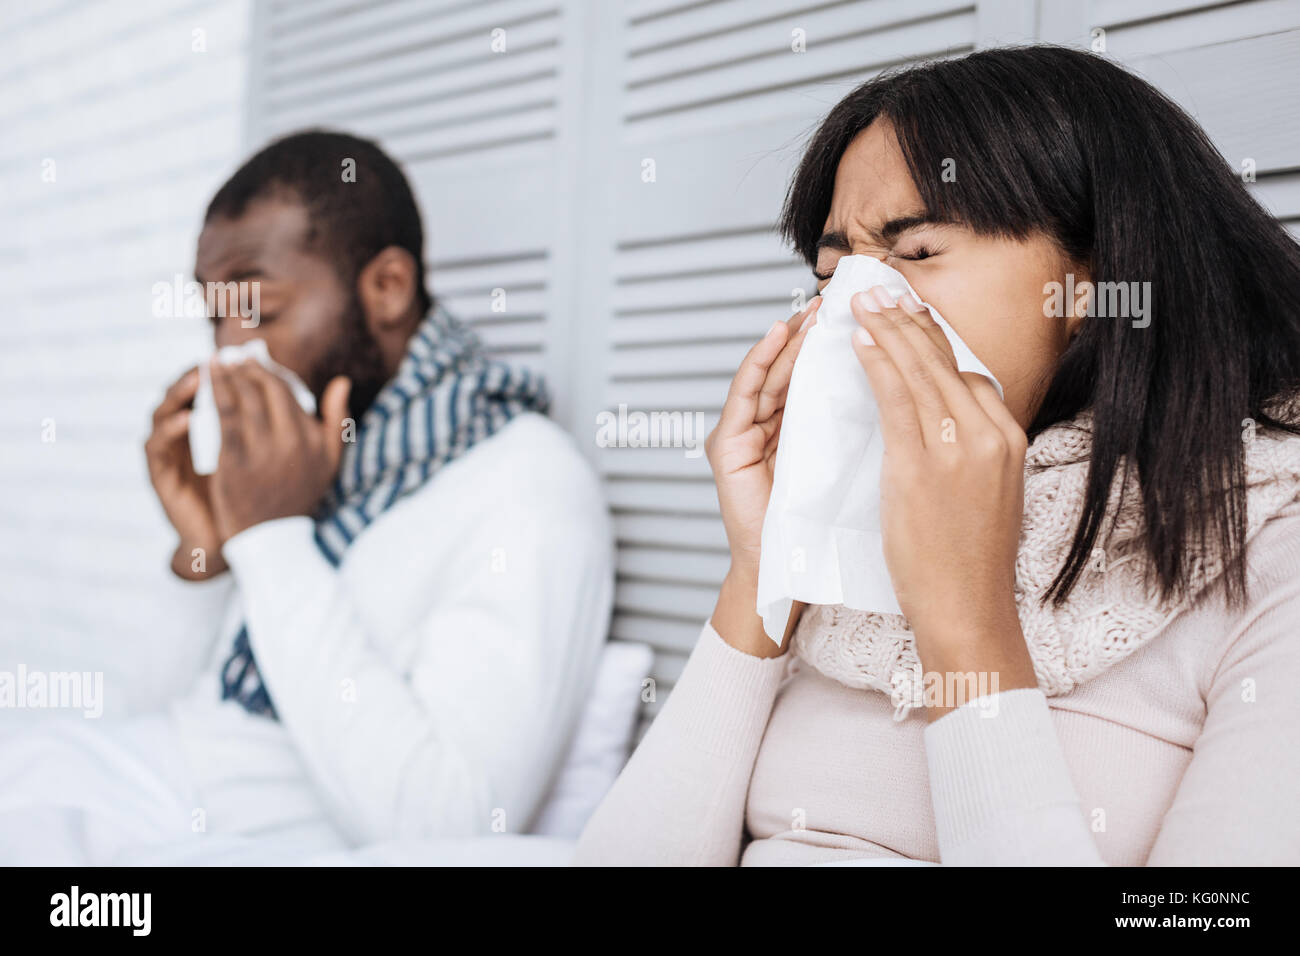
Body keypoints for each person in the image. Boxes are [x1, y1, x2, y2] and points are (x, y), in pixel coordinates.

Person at [574, 46, 1300, 866]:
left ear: (1096, 282)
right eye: (829, 273)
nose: (852, 306)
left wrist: (965, 620)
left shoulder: (1275, 543)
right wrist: (763, 571)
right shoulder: (850, 515)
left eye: (916, 254)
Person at [0, 131, 613, 863]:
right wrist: (209, 551)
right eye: (215, 316)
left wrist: (271, 537)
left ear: (386, 287)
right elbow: (158, 709)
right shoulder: (316, 459)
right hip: (125, 779)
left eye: (258, 311)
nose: (231, 352)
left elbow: (448, 822)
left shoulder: (526, 486)